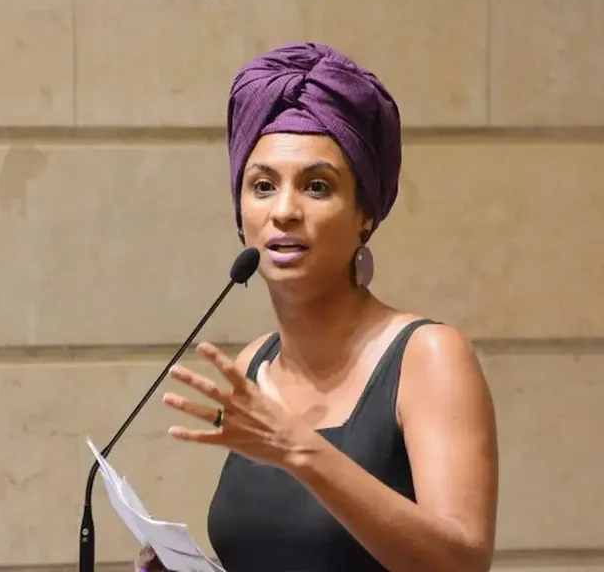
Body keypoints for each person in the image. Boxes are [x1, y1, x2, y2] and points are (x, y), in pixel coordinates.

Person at [134, 43, 499, 572]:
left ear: (365, 215)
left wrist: (300, 450)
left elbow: (462, 562)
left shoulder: (429, 356)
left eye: (317, 186)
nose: (284, 211)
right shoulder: (254, 363)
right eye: (263, 186)